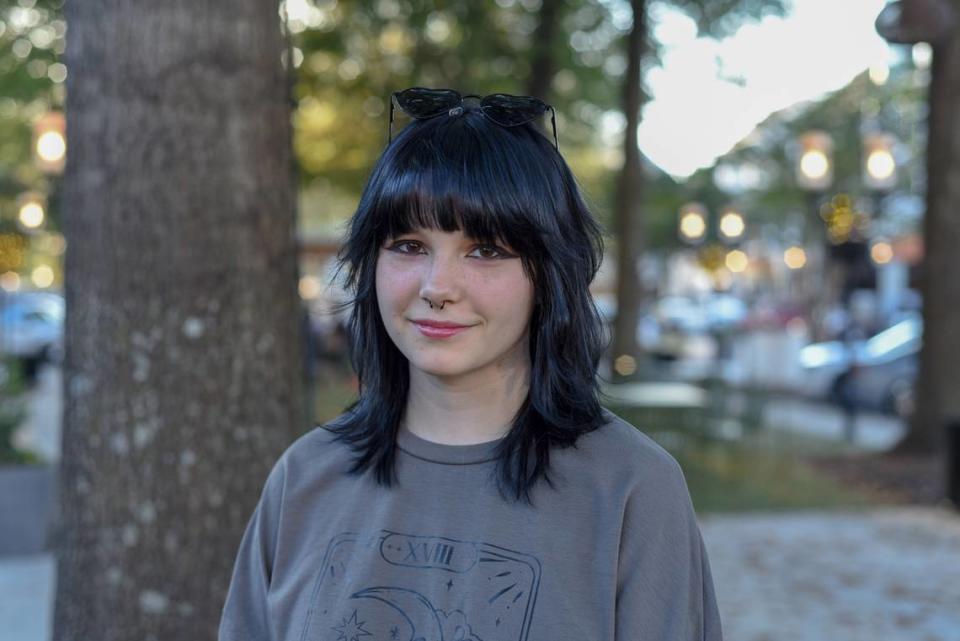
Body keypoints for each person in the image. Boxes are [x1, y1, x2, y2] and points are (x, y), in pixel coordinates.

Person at [219, 88, 722, 641]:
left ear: (548, 275)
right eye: (409, 245)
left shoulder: (631, 489)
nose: (438, 288)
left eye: (485, 251)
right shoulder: (304, 478)